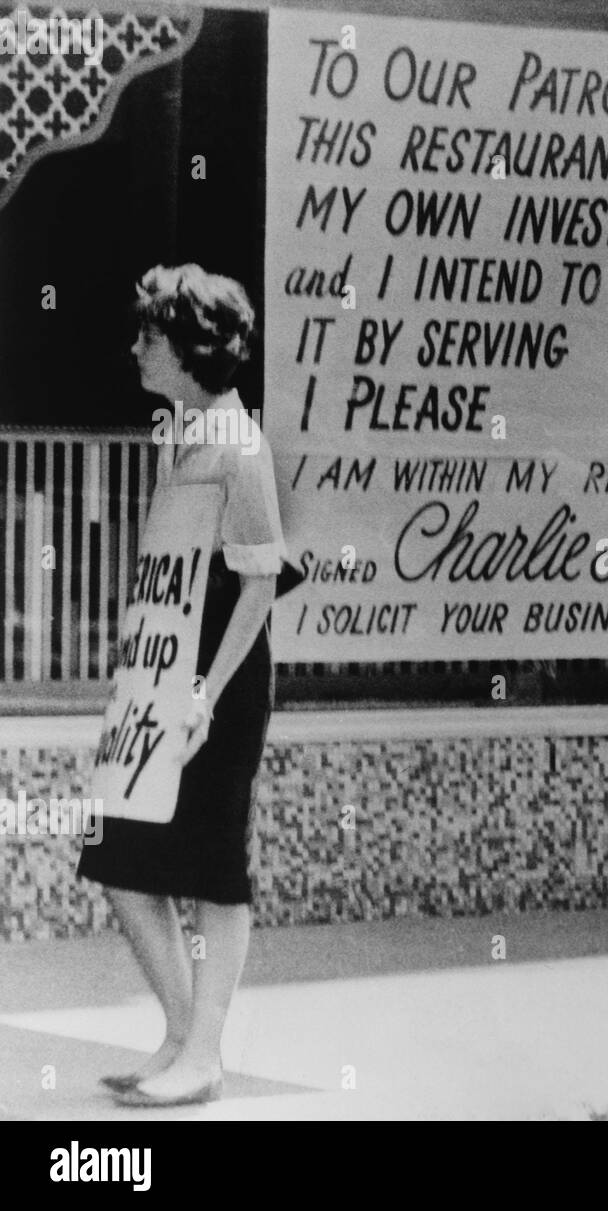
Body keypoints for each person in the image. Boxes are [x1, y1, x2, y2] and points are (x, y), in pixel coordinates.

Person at [78, 264, 285, 1107]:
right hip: (164, 676)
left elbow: (260, 584)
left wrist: (204, 692)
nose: (136, 347)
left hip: (220, 679)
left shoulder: (240, 444)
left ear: (192, 348)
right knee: (121, 853)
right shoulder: (183, 436)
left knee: (211, 867)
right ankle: (179, 1032)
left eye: (150, 336)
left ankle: (205, 1052)